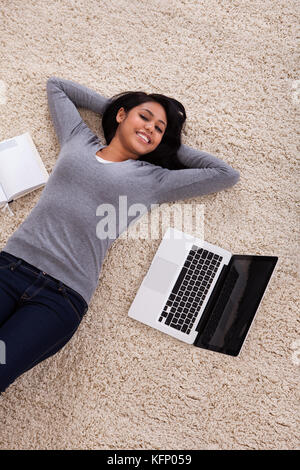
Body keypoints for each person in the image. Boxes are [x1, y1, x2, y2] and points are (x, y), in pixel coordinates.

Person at [0, 77, 240, 393]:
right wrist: (115, 108)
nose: (151, 129)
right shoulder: (77, 139)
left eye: (160, 129)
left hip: (61, 296)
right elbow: (57, 86)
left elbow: (225, 174)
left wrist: (167, 143)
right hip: (10, 268)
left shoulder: (156, 180)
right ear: (121, 115)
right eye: (145, 117)